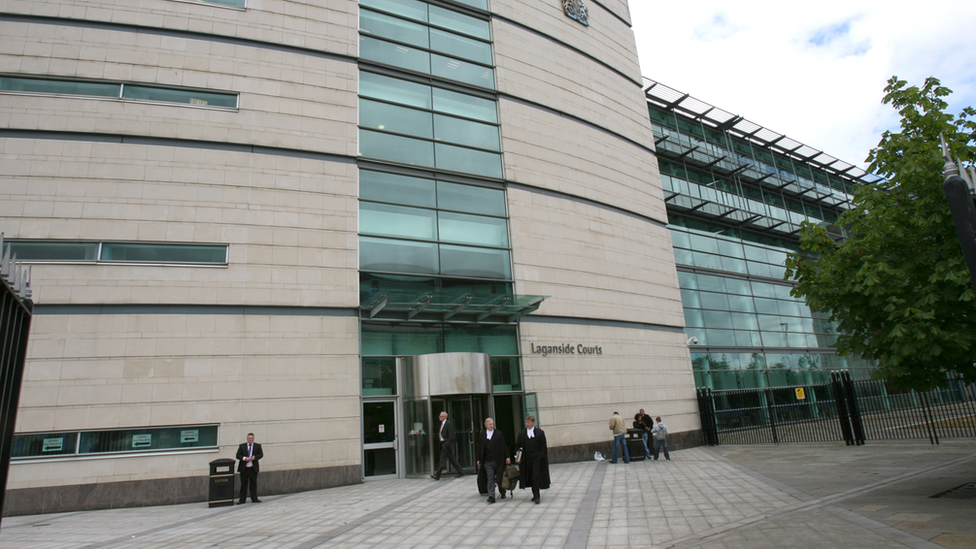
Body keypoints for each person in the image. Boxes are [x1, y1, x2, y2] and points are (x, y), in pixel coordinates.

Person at [515, 415, 550, 504]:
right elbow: (518, 445)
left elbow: (543, 446)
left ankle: (537, 496)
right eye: (526, 422)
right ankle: (534, 494)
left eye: (529, 422)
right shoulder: (522, 434)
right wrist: (518, 455)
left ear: (533, 423)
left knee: (536, 476)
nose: (527, 424)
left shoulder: (539, 433)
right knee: (530, 477)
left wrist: (541, 456)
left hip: (537, 458)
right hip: (527, 459)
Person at [475, 417, 510, 504]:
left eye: (492, 424)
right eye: (490, 424)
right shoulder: (482, 435)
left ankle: (502, 492)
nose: (492, 426)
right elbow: (479, 448)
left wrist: (507, 457)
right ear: (486, 425)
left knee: (499, 478)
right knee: (490, 478)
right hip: (487, 461)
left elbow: (503, 446)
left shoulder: (498, 434)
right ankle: (491, 496)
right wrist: (479, 459)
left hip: (498, 460)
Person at [431, 411, 464, 480]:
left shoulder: (448, 424)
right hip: (443, 444)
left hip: (446, 445)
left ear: (444, 417)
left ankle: (437, 475)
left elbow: (451, 436)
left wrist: (446, 444)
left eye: (441, 416)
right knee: (452, 459)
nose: (439, 417)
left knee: (442, 460)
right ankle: (461, 471)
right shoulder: (442, 424)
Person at [236, 433, 264, 503]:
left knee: (253, 484)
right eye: (249, 438)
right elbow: (238, 455)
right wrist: (244, 458)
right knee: (243, 484)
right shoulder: (242, 446)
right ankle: (242, 499)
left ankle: (254, 498)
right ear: (247, 439)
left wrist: (255, 457)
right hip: (244, 468)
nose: (250, 440)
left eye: (252, 439)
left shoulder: (257, 446)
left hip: (253, 468)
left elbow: (261, 454)